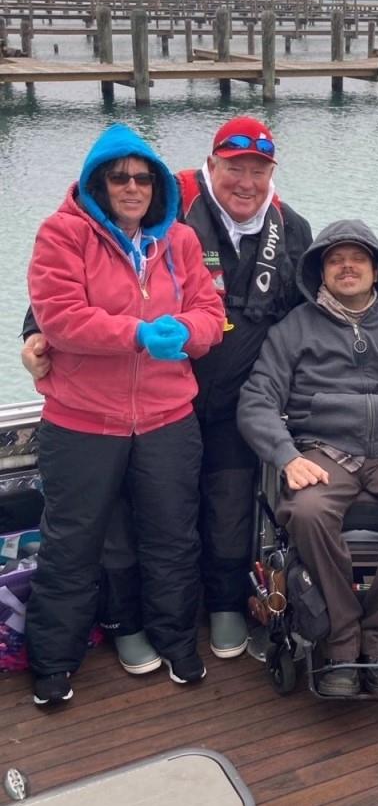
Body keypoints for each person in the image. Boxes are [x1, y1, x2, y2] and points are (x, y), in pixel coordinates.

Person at [22, 116, 312, 668]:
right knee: (129, 520)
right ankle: (124, 618)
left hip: (236, 404)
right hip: (149, 402)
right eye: (233, 168)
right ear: (212, 164)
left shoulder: (293, 230)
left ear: (271, 172)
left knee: (226, 507)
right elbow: (57, 298)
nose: (244, 182)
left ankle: (225, 602)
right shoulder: (162, 199)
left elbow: (309, 319)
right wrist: (31, 337)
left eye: (258, 169)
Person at [26, 123, 225, 705]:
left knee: (173, 538)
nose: (132, 186)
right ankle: (53, 662)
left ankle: (178, 641)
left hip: (167, 418)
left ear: (159, 185)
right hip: (80, 420)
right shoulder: (62, 235)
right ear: (98, 182)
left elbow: (212, 314)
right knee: (71, 544)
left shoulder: (182, 242)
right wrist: (139, 334)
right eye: (119, 176)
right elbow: (59, 318)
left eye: (143, 177)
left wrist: (186, 330)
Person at [237, 220, 378, 697]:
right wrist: (286, 455)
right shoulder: (292, 330)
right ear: (320, 272)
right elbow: (256, 400)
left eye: (357, 258)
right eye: (335, 260)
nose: (347, 267)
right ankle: (340, 643)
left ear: (376, 270)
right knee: (307, 511)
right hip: (323, 452)